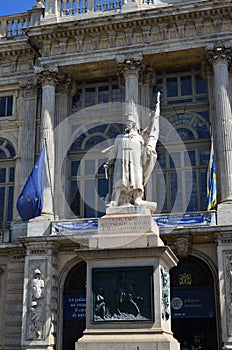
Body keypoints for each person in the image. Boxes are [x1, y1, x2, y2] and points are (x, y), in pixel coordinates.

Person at [103, 93, 160, 210]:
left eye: (130, 122)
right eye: (127, 122)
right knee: (119, 182)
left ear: (134, 124)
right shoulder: (119, 137)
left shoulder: (138, 138)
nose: (128, 124)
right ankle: (115, 200)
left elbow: (145, 148)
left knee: (136, 181)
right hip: (121, 164)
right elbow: (114, 151)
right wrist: (109, 163)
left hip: (135, 165)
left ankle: (137, 198)